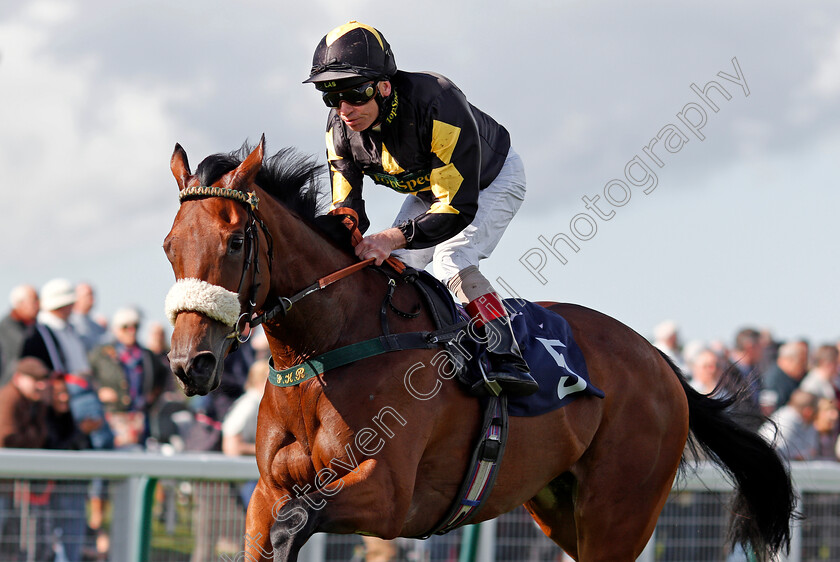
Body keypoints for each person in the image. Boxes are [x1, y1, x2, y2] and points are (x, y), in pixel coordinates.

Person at [304, 21, 536, 395]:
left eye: (354, 95)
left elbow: (457, 208)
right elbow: (346, 211)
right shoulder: (339, 131)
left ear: (383, 86)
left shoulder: (438, 101)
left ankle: (505, 351)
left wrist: (393, 236)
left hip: (489, 180)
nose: (344, 110)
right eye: (331, 97)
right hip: (431, 189)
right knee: (396, 268)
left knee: (452, 259)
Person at [88, 307, 168, 448]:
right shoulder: (101, 354)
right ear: (116, 330)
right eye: (126, 327)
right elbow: (87, 377)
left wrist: (153, 396)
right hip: (111, 417)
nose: (131, 331)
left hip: (140, 419)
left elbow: (163, 375)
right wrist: (98, 392)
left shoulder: (147, 356)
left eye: (135, 327)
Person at [222, 361, 270, 509]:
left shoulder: (258, 402)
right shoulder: (249, 404)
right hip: (246, 480)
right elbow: (231, 447)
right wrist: (269, 450)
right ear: (259, 381)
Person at [759, 389, 820, 461]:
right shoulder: (786, 420)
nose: (818, 414)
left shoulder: (807, 423)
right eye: (817, 410)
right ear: (808, 412)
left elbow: (812, 452)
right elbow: (778, 453)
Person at [0, 284, 40, 386]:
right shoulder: (7, 328)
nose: (38, 305)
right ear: (20, 304)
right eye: (34, 301)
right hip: (10, 386)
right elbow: (15, 360)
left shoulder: (34, 326)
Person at [760, 340, 809, 413]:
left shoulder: (797, 377)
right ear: (789, 360)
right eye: (801, 361)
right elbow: (767, 410)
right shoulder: (772, 380)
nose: (804, 366)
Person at [70, 282, 108, 352]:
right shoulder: (69, 323)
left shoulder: (97, 323)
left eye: (92, 294)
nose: (92, 299)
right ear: (76, 298)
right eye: (88, 295)